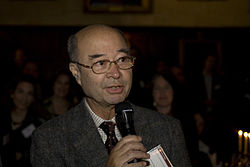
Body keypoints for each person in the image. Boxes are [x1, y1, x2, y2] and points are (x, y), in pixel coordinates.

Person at [30, 24, 191, 167]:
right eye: (101, 63)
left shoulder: (167, 129)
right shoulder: (50, 138)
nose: (115, 73)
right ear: (76, 73)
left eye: (122, 59)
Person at [0, 75, 42, 167]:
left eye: (29, 93)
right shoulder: (2, 119)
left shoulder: (38, 125)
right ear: (12, 93)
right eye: (20, 92)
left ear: (33, 98)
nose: (24, 98)